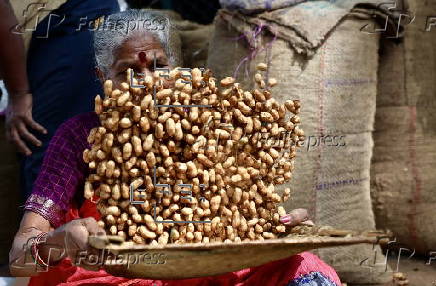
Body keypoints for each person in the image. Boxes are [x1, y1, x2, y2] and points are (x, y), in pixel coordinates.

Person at [9, 10, 341, 286]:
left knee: (303, 268)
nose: (146, 83)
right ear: (102, 77)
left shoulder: (209, 127)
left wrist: (276, 230)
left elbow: (244, 224)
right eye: (128, 72)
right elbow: (19, 259)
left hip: (207, 272)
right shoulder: (80, 137)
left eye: (158, 66)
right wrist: (61, 239)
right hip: (116, 278)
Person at [0, 0, 119, 199]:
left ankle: (42, 228)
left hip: (67, 18)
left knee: (48, 154)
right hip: (42, 29)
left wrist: (18, 93)